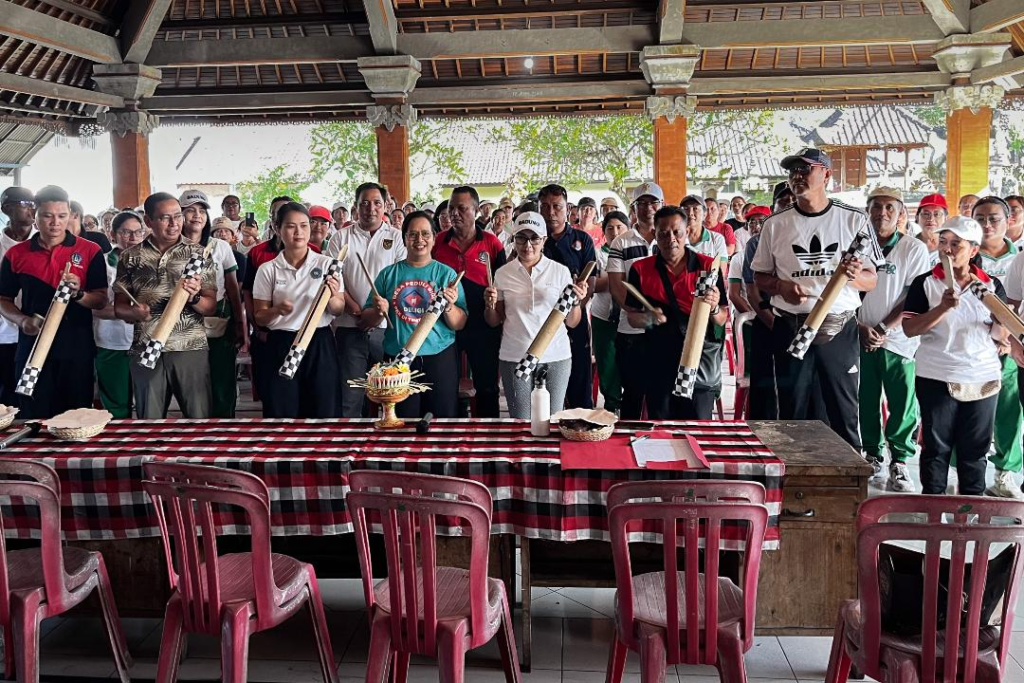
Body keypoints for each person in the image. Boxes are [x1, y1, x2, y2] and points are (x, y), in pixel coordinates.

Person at [752, 148, 882, 449]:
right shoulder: (775, 223)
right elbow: (759, 277)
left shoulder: (854, 220)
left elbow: (872, 279)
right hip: (791, 326)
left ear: (826, 174)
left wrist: (852, 276)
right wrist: (781, 287)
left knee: (843, 408)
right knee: (792, 407)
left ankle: (850, 480)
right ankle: (794, 476)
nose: (797, 176)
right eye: (792, 170)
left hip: (838, 329)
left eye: (805, 169)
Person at [904, 217, 1005, 496]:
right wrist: (942, 308)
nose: (947, 250)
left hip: (982, 376)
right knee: (936, 449)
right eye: (943, 242)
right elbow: (910, 328)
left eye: (956, 244)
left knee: (975, 451)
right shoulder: (925, 283)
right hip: (937, 373)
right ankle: (934, 510)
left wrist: (1000, 319)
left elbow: (1000, 337)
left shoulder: (991, 286)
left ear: (973, 250)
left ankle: (971, 513)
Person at [0, 185, 106, 419]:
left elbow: (100, 300)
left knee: (75, 418)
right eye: (47, 216)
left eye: (61, 216)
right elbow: (3, 299)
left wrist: (79, 294)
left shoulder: (90, 251)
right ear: (35, 217)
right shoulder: (16, 254)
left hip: (76, 349)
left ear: (70, 215)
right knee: (31, 417)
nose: (55, 223)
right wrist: (22, 320)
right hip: (32, 348)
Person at [115, 192, 217, 419]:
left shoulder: (198, 254)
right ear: (148, 221)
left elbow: (210, 307)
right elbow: (119, 307)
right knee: (148, 421)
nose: (174, 224)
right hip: (145, 347)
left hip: (189, 348)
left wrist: (194, 298)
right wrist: (133, 312)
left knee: (199, 419)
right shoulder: (131, 257)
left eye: (178, 216)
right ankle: (149, 456)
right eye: (164, 218)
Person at [856, 187, 930, 492]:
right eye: (875, 207)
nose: (881, 213)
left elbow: (914, 297)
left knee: (902, 402)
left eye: (889, 208)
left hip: (899, 339)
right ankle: (872, 455)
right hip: (860, 335)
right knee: (865, 400)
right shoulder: (856, 247)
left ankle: (899, 460)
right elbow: (846, 293)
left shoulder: (914, 249)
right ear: (867, 211)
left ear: (900, 213)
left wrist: (884, 328)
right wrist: (861, 328)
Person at [623, 205, 728, 419]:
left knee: (699, 428)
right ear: (655, 234)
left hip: (697, 360)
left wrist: (715, 306)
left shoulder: (707, 266)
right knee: (661, 429)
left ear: (687, 232)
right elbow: (632, 318)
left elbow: (722, 318)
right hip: (658, 361)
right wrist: (649, 319)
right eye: (663, 233)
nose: (671, 238)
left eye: (677, 232)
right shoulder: (641, 269)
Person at [362, 211, 467, 418]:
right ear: (404, 239)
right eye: (413, 234)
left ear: (434, 238)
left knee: (441, 421)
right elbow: (366, 319)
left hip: (439, 358)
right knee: (401, 422)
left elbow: (460, 323)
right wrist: (378, 311)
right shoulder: (388, 274)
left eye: (426, 234)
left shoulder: (447, 274)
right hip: (398, 360)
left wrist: (449, 306)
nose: (420, 240)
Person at [484, 212, 587, 418]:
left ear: (544, 240)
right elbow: (495, 320)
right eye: (521, 238)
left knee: (552, 418)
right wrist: (489, 305)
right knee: (520, 419)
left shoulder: (560, 272)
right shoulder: (503, 273)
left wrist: (576, 302)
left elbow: (572, 322)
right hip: (515, 355)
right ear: (514, 239)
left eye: (535, 238)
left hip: (556, 356)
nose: (528, 245)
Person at [252, 202, 344, 418]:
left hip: (318, 342)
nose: (299, 232)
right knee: (283, 409)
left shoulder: (327, 264)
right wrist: (277, 310)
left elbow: (338, 309)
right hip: (281, 344)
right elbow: (260, 317)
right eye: (291, 226)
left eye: (304, 225)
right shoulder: (268, 269)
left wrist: (331, 297)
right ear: (277, 229)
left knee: (324, 407)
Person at [325, 182, 407, 417]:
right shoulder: (340, 238)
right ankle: (350, 449)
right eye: (364, 203)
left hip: (387, 328)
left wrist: (376, 314)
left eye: (377, 203)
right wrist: (355, 310)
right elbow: (334, 279)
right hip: (350, 326)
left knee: (390, 394)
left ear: (386, 206)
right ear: (355, 207)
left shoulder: (397, 237)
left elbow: (399, 280)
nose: (371, 208)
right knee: (351, 397)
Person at [432, 185, 506, 417]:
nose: (454, 213)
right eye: (451, 208)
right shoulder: (438, 242)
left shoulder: (493, 244)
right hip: (447, 325)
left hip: (484, 325)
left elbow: (502, 287)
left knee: (486, 386)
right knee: (446, 386)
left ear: (476, 210)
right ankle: (448, 438)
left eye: (461, 208)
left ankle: (489, 437)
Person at [972, 196, 1023, 497]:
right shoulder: (965, 256)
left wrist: (1007, 338)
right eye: (980, 218)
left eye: (994, 218)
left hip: (1012, 347)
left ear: (1008, 221)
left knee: (1009, 411)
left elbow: (1015, 304)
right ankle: (968, 471)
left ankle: (1006, 472)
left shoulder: (1018, 257)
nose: (987, 224)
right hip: (974, 347)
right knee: (972, 413)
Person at [179, 190, 245, 419]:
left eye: (201, 211)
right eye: (190, 211)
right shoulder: (172, 247)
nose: (196, 216)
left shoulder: (220, 247)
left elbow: (233, 288)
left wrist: (240, 323)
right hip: (182, 321)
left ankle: (224, 426)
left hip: (217, 318)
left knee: (221, 377)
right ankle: (197, 428)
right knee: (192, 380)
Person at [539, 184, 598, 409]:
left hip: (574, 320)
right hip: (539, 321)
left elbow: (590, 282)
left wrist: (573, 309)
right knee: (543, 389)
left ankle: (582, 432)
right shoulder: (530, 241)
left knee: (579, 382)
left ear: (567, 209)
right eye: (544, 206)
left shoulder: (583, 240)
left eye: (557, 206)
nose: (550, 212)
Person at [607, 182, 662, 418]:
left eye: (653, 203)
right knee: (632, 393)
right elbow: (616, 285)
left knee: (661, 396)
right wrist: (635, 313)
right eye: (642, 203)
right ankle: (627, 447)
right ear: (634, 207)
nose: (648, 208)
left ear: (662, 205)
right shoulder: (622, 242)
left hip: (664, 330)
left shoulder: (671, 238)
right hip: (630, 331)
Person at [740, 182, 794, 420]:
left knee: (797, 388)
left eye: (794, 199)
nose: (790, 204)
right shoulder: (756, 242)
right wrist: (775, 323)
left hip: (805, 325)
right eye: (784, 201)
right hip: (769, 320)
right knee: (766, 387)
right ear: (774, 207)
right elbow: (752, 291)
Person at [93, 211, 144, 418]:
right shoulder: (102, 264)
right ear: (112, 234)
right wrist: (126, 312)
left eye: (137, 232)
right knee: (116, 403)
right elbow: (96, 306)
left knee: (147, 402)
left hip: (146, 342)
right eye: (125, 232)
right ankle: (120, 447)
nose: (132, 238)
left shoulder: (153, 263)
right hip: (111, 342)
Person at [0, 186, 36, 405]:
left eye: (34, 204)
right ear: (6, 209)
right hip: (5, 333)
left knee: (34, 394)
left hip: (38, 330)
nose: (32, 209)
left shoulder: (43, 241)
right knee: (8, 395)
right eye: (25, 204)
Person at [592, 211, 630, 413]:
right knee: (606, 362)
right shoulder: (598, 253)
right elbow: (593, 285)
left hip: (629, 316)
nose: (615, 232)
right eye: (610, 228)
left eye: (619, 227)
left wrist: (613, 275)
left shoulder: (634, 251)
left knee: (630, 361)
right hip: (603, 316)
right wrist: (615, 278)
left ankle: (631, 404)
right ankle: (612, 404)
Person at [916, 193, 948, 266]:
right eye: (926, 214)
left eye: (937, 214)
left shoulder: (951, 248)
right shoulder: (908, 245)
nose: (931, 219)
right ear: (917, 217)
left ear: (946, 219)